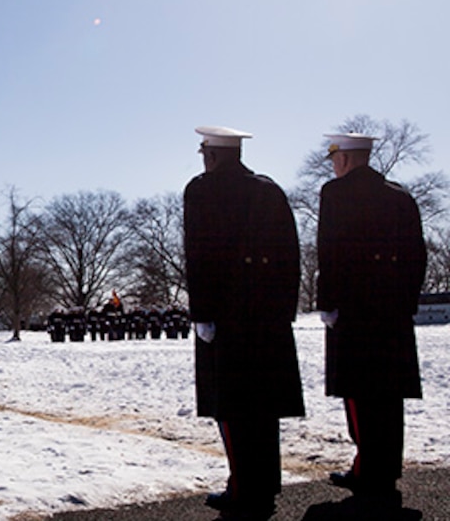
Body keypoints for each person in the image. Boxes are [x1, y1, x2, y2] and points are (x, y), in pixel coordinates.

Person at [183, 126, 305, 520]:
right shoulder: (269, 190)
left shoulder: (202, 190)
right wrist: (284, 310)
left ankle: (243, 487)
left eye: (204, 151)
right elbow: (291, 255)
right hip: (267, 318)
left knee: (233, 407)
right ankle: (265, 483)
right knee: (263, 406)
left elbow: (199, 256)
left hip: (227, 315)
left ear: (213, 155)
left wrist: (202, 313)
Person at [316, 132, 426, 510]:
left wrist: (327, 302)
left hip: (355, 310)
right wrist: (406, 302)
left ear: (344, 159)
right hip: (392, 312)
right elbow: (417, 255)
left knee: (360, 396)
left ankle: (368, 471)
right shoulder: (400, 195)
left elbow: (329, 250)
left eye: (335, 158)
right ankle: (386, 470)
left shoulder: (337, 193)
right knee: (389, 397)